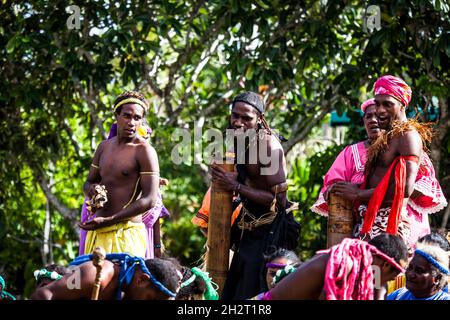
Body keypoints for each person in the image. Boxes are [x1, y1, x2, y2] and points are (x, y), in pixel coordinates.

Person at [312, 98, 447, 248]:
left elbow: (420, 187)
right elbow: (332, 188)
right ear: (363, 121)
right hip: (363, 235)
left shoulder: (409, 145)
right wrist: (336, 190)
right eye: (368, 116)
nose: (374, 120)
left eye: (378, 115)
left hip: (407, 234)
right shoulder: (351, 153)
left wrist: (361, 192)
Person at [211, 91, 299, 300]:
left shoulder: (268, 146)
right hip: (250, 229)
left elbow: (278, 201)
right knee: (238, 290)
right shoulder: (242, 140)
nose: (238, 122)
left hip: (272, 231)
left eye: (246, 118)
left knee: (256, 291)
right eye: (235, 116)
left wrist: (236, 186)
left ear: (259, 119)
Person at [79, 91, 160, 257]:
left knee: (120, 283)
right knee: (90, 282)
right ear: (116, 115)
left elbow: (149, 200)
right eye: (127, 116)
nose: (131, 122)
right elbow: (88, 183)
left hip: (126, 234)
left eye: (137, 118)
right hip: (97, 233)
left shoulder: (144, 151)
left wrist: (110, 219)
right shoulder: (103, 147)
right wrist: (92, 190)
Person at [255, 234, 408, 300]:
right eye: (392, 277)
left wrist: (379, 288)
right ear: (385, 264)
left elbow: (379, 286)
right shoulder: (346, 263)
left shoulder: (362, 266)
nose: (388, 281)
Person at [30, 254, 180, 300]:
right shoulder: (96, 274)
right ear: (142, 279)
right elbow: (44, 294)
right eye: (150, 298)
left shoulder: (126, 291)